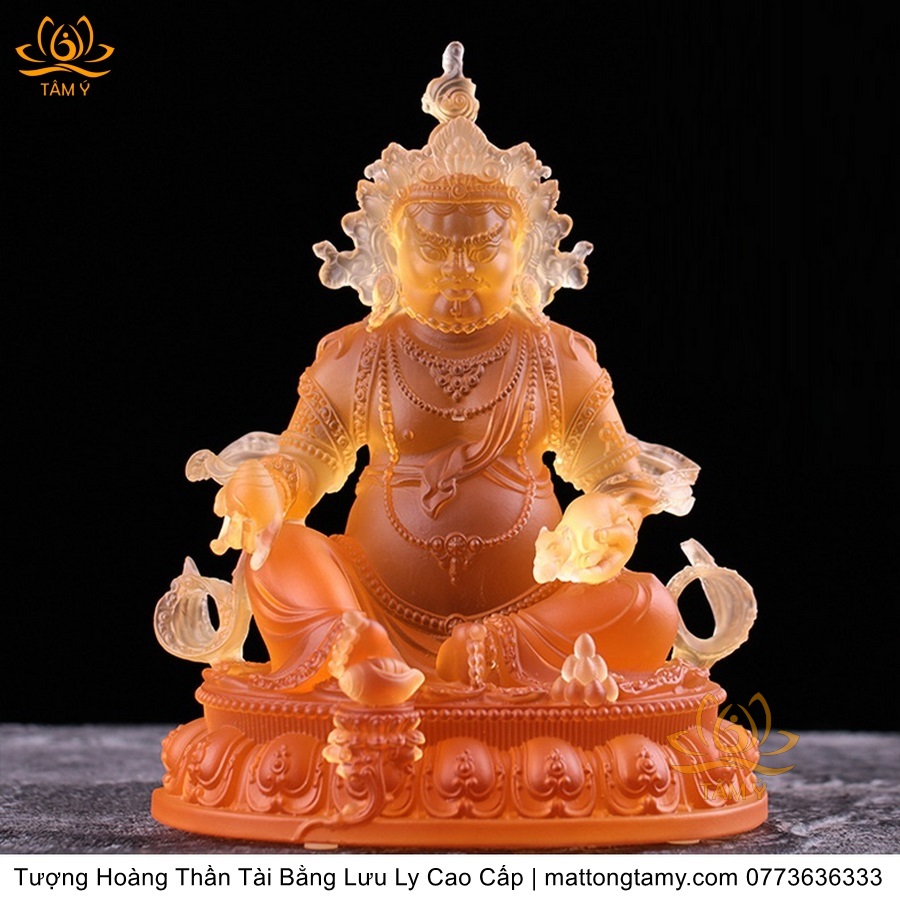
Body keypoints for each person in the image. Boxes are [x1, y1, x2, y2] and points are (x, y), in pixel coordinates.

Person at [196, 45, 695, 706]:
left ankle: (477, 659)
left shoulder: (559, 356)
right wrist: (267, 487)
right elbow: (303, 463)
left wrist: (606, 511)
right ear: (391, 252)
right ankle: (359, 654)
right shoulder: (356, 354)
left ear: (524, 253)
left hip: (530, 613)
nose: (459, 272)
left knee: (648, 605)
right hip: (372, 605)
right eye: (434, 249)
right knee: (279, 551)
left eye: (484, 249)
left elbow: (621, 478)